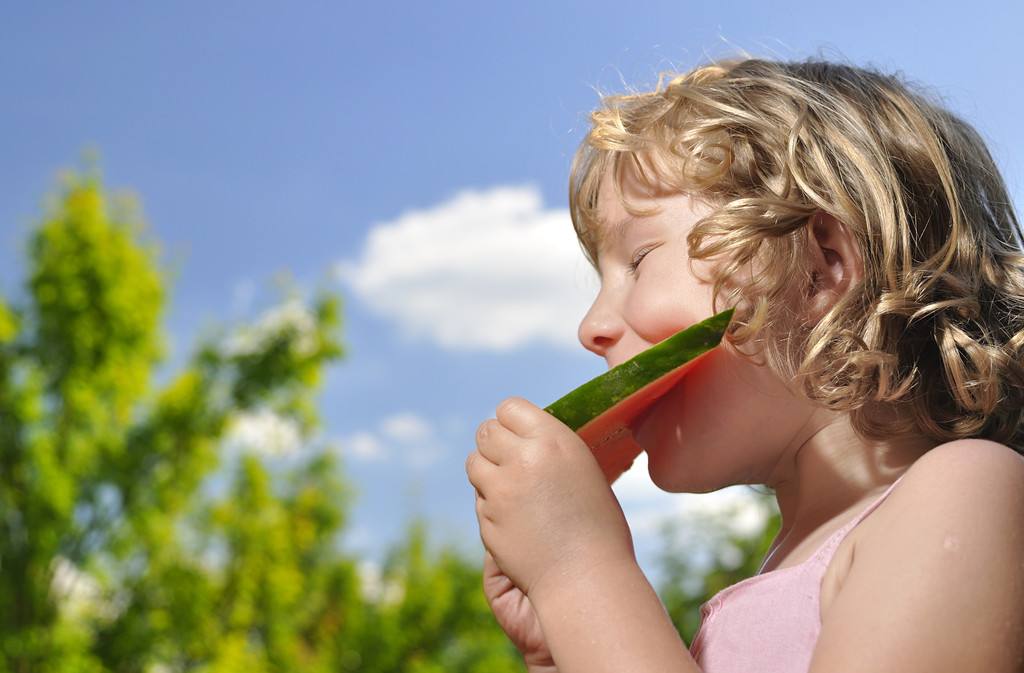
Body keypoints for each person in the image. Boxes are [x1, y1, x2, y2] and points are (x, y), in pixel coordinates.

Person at [464, 56, 1024, 673]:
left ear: (819, 268)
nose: (591, 327)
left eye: (640, 260)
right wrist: (561, 646)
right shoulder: (790, 566)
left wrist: (578, 572)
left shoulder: (966, 490)